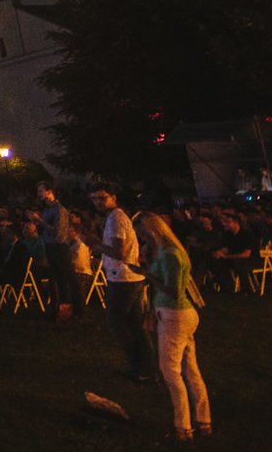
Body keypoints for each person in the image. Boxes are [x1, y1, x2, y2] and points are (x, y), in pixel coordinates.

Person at [137, 212, 211, 442]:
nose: (142, 238)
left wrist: (147, 275)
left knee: (170, 370)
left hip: (175, 315)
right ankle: (203, 420)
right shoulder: (166, 252)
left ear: (153, 230)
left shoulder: (171, 255)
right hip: (176, 315)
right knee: (190, 369)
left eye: (143, 233)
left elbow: (174, 291)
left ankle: (183, 426)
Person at [87, 184, 156, 382]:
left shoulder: (116, 219)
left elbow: (119, 252)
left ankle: (139, 364)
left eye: (102, 198)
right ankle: (147, 368)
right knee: (136, 325)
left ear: (113, 197)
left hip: (123, 278)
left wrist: (95, 244)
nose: (98, 202)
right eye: (94, 199)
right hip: (129, 277)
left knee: (116, 323)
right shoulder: (115, 217)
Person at [37, 181, 76, 319]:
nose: (38, 194)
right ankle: (55, 310)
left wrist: (40, 221)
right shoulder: (47, 209)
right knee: (53, 280)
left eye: (40, 191)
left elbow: (58, 233)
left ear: (49, 192)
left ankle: (66, 313)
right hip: (49, 246)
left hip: (59, 247)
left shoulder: (60, 210)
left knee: (63, 280)